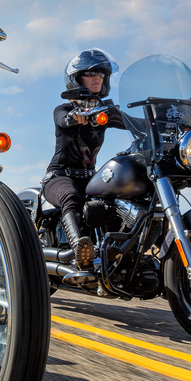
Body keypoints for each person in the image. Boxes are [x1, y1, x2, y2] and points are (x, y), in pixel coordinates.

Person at [42, 49, 125, 270]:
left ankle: (118, 254)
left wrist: (160, 120)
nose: (97, 77)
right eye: (90, 73)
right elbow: (62, 120)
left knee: (119, 202)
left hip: (90, 180)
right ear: (77, 79)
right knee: (70, 197)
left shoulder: (105, 111)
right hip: (59, 176)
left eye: (101, 73)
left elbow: (132, 122)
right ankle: (81, 250)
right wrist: (74, 117)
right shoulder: (64, 108)